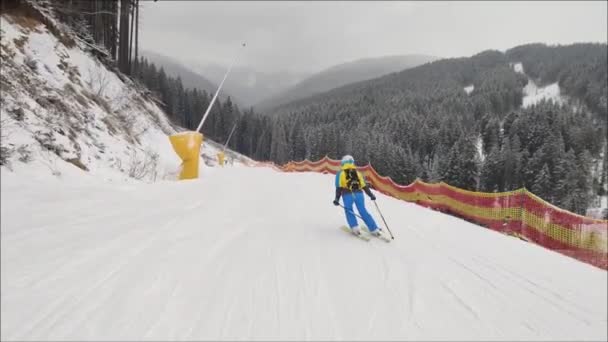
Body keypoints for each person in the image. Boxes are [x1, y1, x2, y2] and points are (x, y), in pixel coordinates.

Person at [333, 155, 382, 236]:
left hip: (347, 195)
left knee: (349, 210)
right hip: (359, 194)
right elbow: (364, 186)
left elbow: (338, 188)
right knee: (363, 210)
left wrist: (337, 199)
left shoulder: (340, 173)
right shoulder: (357, 173)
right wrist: (371, 195)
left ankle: (355, 228)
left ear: (343, 163)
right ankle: (374, 229)